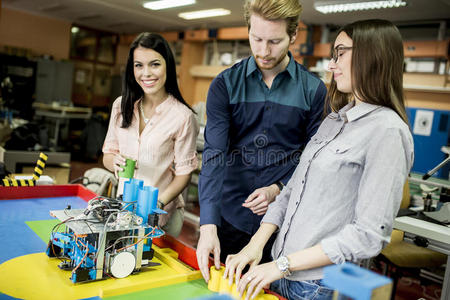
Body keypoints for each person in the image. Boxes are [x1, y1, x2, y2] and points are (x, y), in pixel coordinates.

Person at [223, 19, 414, 300]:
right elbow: (291, 193)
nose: (331, 65)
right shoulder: (334, 121)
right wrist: (256, 244)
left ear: (371, 55)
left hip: (319, 286)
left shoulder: (387, 131)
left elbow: (369, 235)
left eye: (340, 53)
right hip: (279, 272)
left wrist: (282, 266)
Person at [196, 0, 327, 282]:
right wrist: (208, 225)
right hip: (231, 217)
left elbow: (313, 159)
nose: (264, 51)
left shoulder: (314, 91)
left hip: (284, 225)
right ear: (248, 30)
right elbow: (215, 154)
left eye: (275, 41)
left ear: (293, 36)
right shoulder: (224, 85)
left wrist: (278, 188)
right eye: (256, 39)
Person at [102, 32, 199, 237]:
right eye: (139, 65)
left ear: (168, 66)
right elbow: (108, 155)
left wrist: (157, 205)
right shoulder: (121, 106)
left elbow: (183, 174)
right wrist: (115, 163)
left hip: (161, 217)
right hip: (124, 212)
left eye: (154, 64)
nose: (146, 73)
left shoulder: (183, 117)